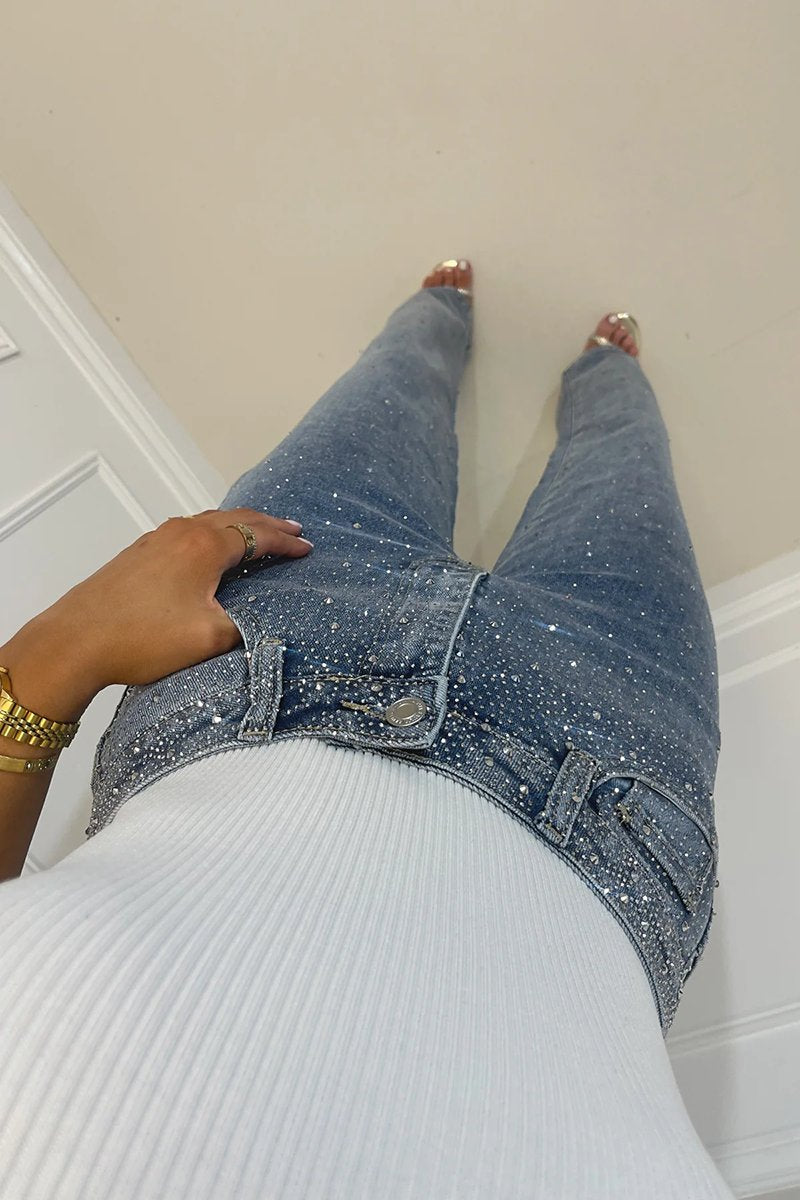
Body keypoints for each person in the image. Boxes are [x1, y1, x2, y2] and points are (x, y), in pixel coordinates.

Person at [0, 260, 733, 1198]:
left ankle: (439, 310)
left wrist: (56, 649)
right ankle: (606, 374)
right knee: (626, 464)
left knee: (391, 386)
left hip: (259, 662)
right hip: (618, 786)